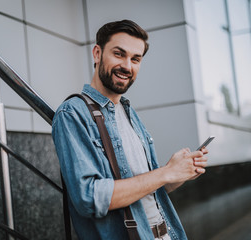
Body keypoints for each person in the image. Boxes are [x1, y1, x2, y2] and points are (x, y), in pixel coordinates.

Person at [52, 19, 208, 240]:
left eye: (136, 59)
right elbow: (89, 197)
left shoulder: (127, 111)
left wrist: (177, 174)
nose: (127, 66)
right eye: (119, 54)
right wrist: (164, 173)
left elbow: (145, 189)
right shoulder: (72, 113)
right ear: (97, 54)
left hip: (166, 234)